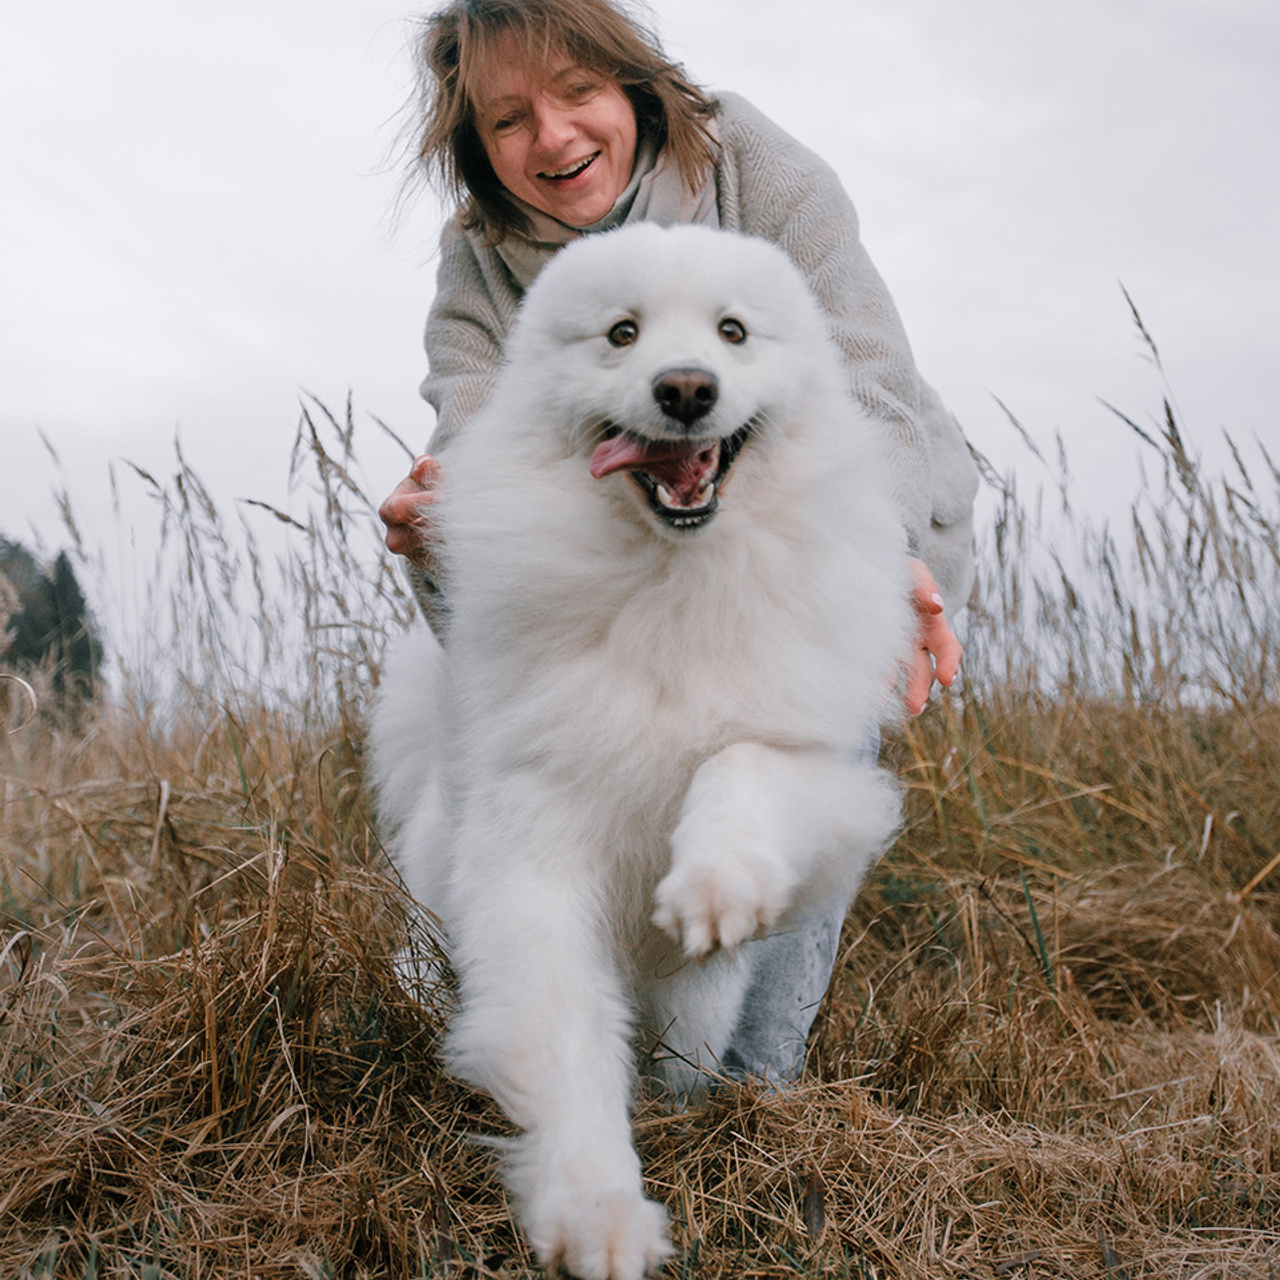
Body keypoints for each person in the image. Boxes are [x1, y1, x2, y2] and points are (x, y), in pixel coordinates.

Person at [379, 0, 979, 1083]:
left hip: (816, 530)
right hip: (621, 578)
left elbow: (871, 384)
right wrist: (443, 530)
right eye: (507, 119)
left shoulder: (756, 168)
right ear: (476, 147)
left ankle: (748, 1087)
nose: (552, 137)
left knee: (791, 748)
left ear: (632, 86)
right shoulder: (477, 268)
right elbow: (476, 469)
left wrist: (875, 556)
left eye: (576, 92)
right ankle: (555, 1037)